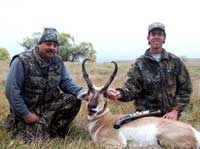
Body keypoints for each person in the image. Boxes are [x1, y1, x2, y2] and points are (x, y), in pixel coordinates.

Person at [4, 28, 87, 141]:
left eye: (55, 45)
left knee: (74, 99)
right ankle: (23, 126)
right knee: (34, 140)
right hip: (28, 109)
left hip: (47, 107)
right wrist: (26, 115)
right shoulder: (22, 60)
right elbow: (11, 91)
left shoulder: (58, 61)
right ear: (40, 44)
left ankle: (54, 130)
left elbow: (66, 82)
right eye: (48, 44)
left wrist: (82, 92)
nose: (52, 48)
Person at [107, 22, 192, 120]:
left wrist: (175, 111)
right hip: (145, 118)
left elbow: (185, 89)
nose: (156, 37)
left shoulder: (175, 61)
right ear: (148, 38)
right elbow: (132, 89)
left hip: (169, 117)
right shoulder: (140, 63)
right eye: (153, 34)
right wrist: (118, 94)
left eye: (160, 34)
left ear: (164, 38)